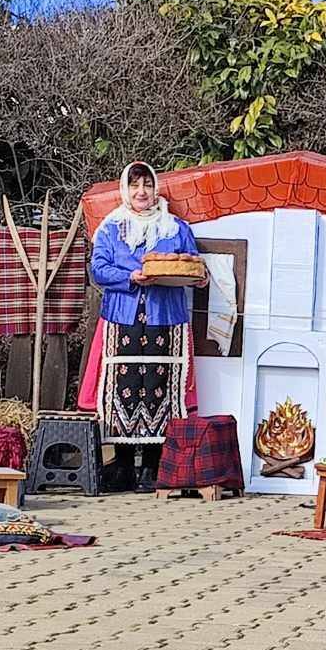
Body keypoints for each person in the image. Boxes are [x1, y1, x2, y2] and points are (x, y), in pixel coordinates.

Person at [79, 161, 203, 489]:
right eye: (135, 185)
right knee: (124, 385)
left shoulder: (176, 228)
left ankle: (153, 466)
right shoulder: (111, 228)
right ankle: (122, 467)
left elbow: (193, 264)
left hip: (166, 318)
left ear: (155, 188)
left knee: (160, 386)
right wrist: (130, 276)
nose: (141, 191)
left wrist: (198, 277)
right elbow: (99, 270)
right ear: (125, 189)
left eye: (147, 184)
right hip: (123, 317)